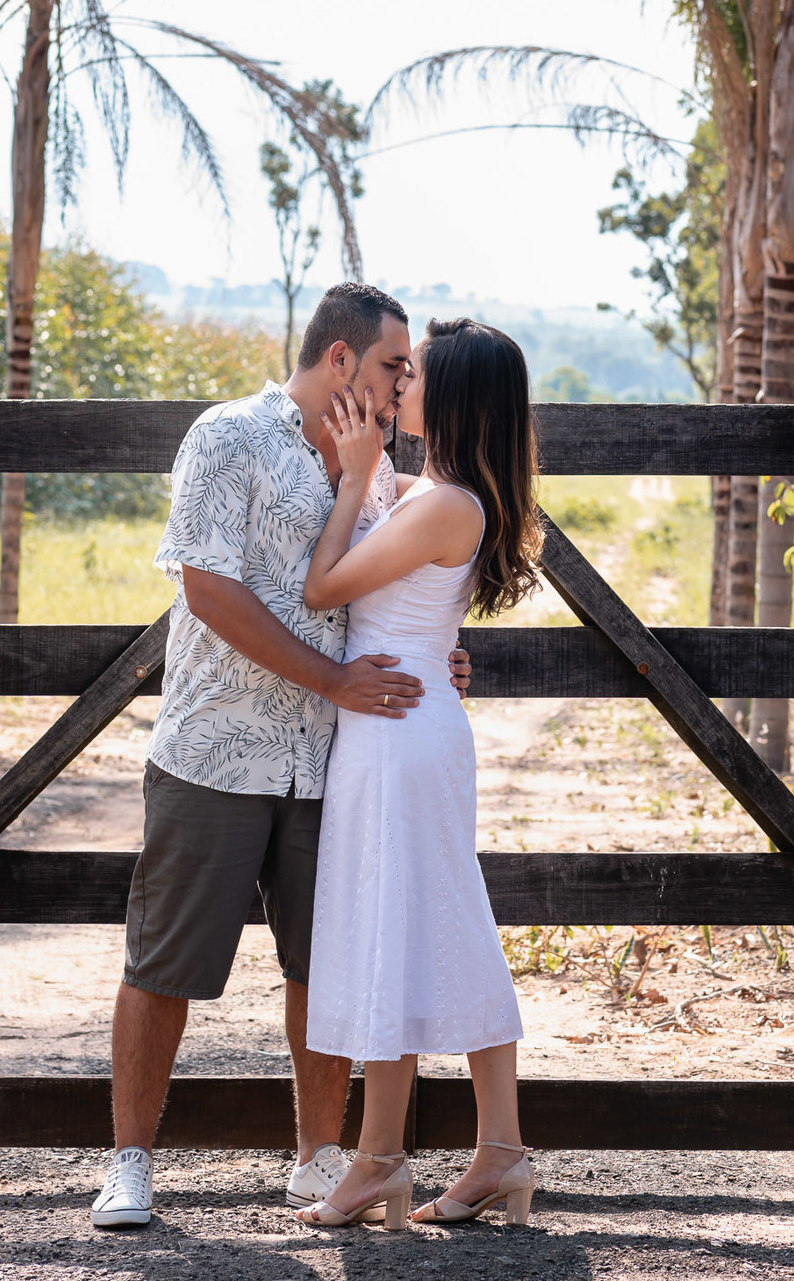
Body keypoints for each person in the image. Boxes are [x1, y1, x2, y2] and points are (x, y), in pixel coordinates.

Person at [90, 283, 472, 1229]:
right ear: (339, 359)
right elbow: (211, 592)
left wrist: (436, 652)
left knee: (325, 964)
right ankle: (129, 1163)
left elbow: (386, 588)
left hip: (333, 761)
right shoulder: (226, 438)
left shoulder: (376, 466)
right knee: (162, 963)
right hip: (217, 749)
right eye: (392, 366)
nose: (402, 385)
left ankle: (317, 1157)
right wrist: (333, 679)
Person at [294, 317, 543, 1230]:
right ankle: (491, 1150)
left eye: (418, 371)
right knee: (427, 922)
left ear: (455, 394)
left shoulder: (441, 502)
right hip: (400, 716)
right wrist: (370, 471)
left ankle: (382, 1160)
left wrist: (357, 472)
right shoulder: (434, 491)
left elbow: (323, 591)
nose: (402, 379)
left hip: (397, 729)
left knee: (406, 924)